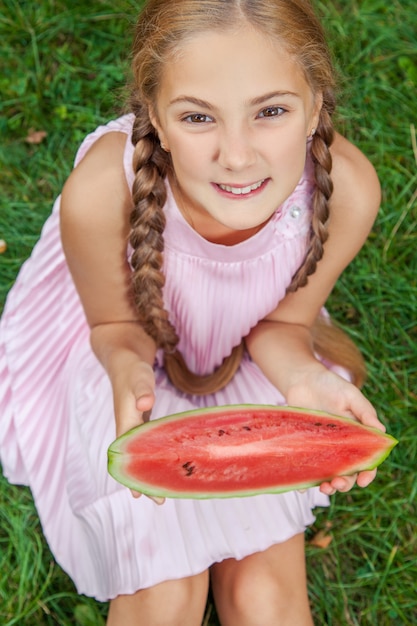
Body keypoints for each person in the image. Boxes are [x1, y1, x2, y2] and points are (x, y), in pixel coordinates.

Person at [0, 0, 385, 624]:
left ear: (315, 105)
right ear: (154, 114)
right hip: (126, 359)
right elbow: (112, 326)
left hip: (245, 357)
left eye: (271, 112)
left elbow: (284, 326)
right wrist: (127, 374)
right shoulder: (103, 192)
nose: (236, 157)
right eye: (199, 117)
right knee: (164, 599)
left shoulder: (350, 191)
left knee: (266, 602)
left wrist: (302, 377)